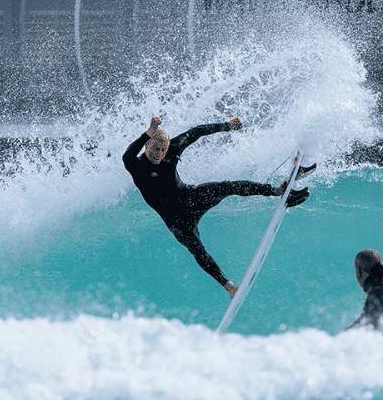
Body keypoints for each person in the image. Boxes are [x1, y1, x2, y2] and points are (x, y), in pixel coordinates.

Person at [123, 117, 312, 296]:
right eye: (154, 149)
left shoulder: (172, 148)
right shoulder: (135, 164)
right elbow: (128, 153)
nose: (158, 153)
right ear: (148, 146)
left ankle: (278, 191)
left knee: (227, 186)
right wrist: (148, 133)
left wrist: (227, 125)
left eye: (161, 150)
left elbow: (196, 132)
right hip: (176, 220)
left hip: (190, 198)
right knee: (196, 248)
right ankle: (229, 286)